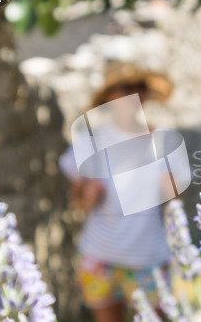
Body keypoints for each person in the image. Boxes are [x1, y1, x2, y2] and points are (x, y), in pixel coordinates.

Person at [59, 62, 173, 322]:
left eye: (138, 86)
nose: (133, 93)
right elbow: (78, 201)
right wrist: (89, 195)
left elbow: (172, 198)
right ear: (109, 97)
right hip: (100, 257)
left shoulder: (162, 139)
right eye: (125, 87)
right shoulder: (91, 141)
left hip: (149, 256)